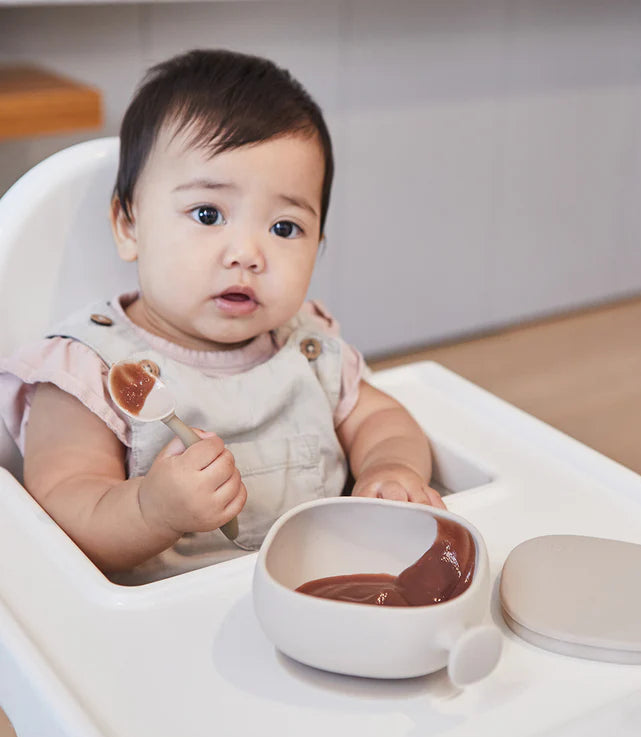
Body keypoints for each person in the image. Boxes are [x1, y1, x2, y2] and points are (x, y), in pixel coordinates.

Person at [0, 49, 444, 585]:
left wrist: (389, 470)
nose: (248, 253)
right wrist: (150, 510)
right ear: (128, 226)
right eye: (208, 215)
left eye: (285, 228)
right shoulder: (89, 371)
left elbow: (382, 421)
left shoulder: (308, 349)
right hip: (166, 628)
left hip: (324, 592)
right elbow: (62, 510)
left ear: (319, 244)